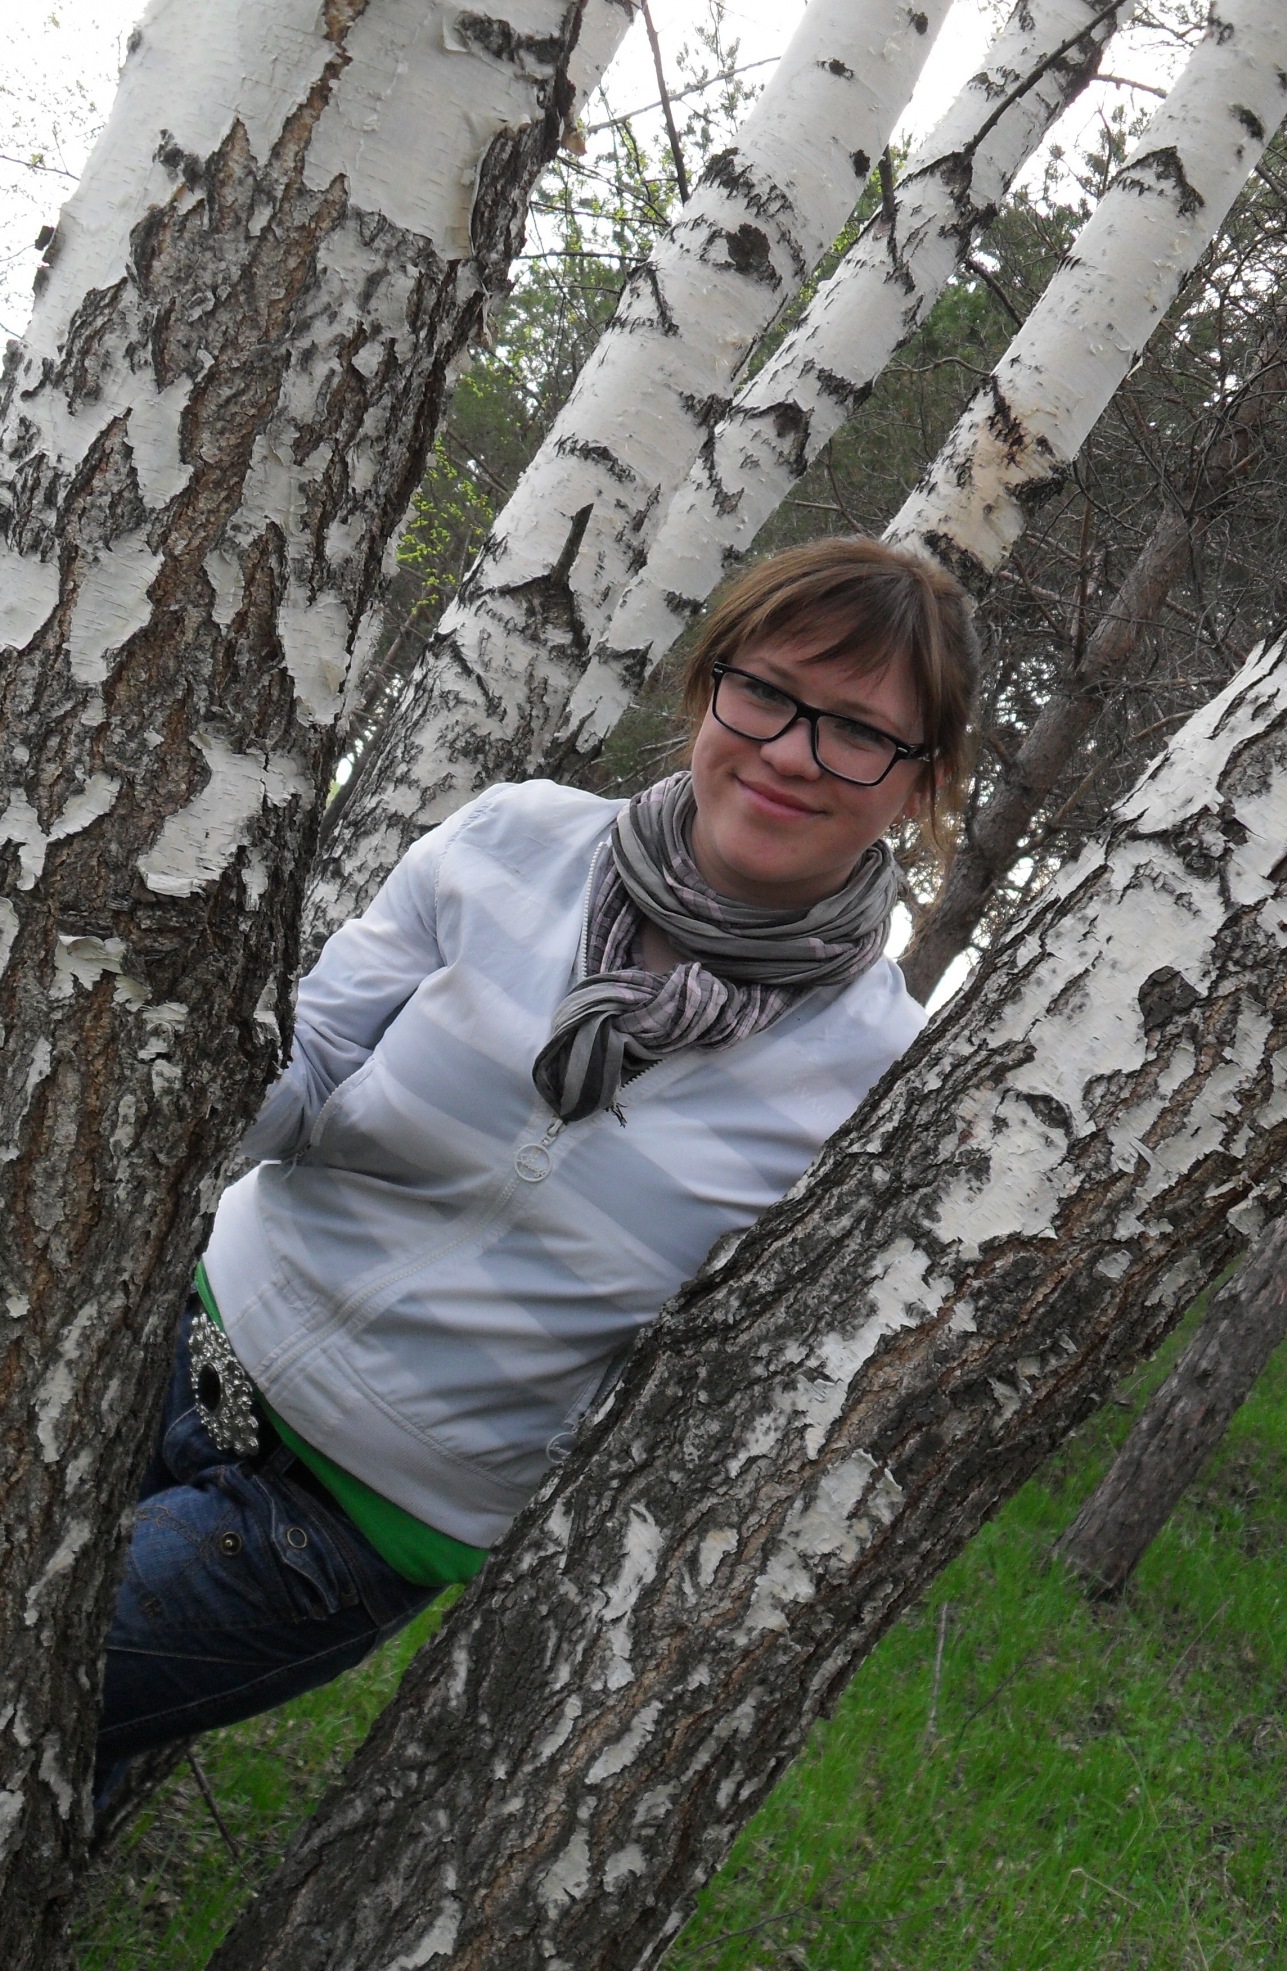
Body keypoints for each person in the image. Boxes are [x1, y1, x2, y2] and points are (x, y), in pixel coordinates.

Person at [94, 537, 978, 1793]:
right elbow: (315, 1055)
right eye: (767, 692)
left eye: (856, 731)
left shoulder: (876, 1076)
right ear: (708, 687)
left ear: (922, 778)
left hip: (329, 1535)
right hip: (162, 1340)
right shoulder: (517, 836)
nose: (790, 751)